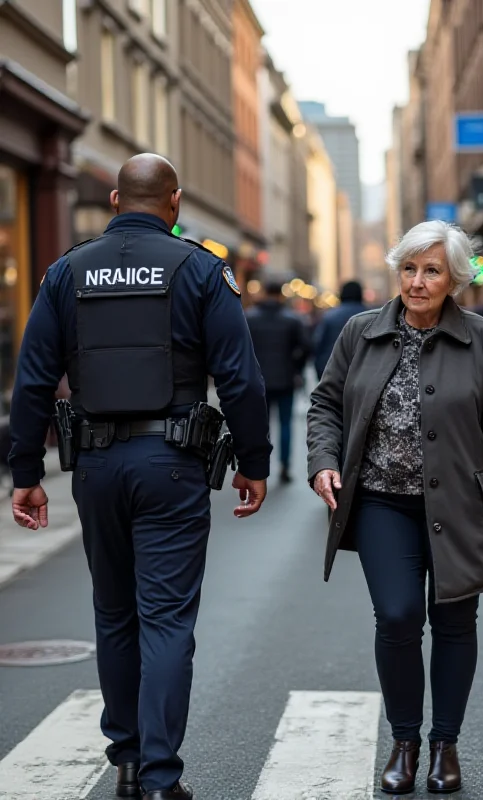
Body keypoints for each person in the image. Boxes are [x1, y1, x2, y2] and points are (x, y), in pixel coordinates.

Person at [8, 154, 272, 800]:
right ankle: (159, 777)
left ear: (117, 198)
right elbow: (240, 377)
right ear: (174, 202)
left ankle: (126, 759)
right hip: (173, 468)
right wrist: (255, 463)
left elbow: (33, 376)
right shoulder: (203, 272)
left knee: (114, 616)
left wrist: (25, 473)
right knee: (166, 621)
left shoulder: (65, 274)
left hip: (95, 467)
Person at [306, 220, 483, 795]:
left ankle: (446, 745)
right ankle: (404, 741)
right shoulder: (359, 332)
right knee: (397, 617)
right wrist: (324, 460)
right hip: (379, 502)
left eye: (431, 271)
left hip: (462, 505)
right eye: (409, 269)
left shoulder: (482, 339)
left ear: (455, 281)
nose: (417, 282)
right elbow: (325, 404)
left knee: (453, 622)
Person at [246, 278, 308, 483]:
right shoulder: (291, 319)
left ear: (264, 292)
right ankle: (284, 465)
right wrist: (295, 367)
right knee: (285, 424)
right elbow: (306, 347)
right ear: (281, 294)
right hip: (285, 379)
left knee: (259, 426)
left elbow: (241, 349)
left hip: (257, 381)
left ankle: (259, 467)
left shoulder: (250, 318)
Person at [313, 280, 366, 379]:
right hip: (362, 372)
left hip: (333, 370)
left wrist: (319, 371)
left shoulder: (329, 316)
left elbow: (318, 344)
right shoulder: (371, 316)